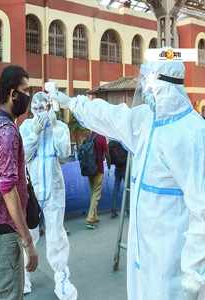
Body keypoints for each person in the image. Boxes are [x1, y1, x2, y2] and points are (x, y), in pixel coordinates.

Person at [49, 60, 205, 300]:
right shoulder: (146, 120)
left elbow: (202, 209)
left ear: (165, 86)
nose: (144, 90)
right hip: (142, 253)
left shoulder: (193, 133)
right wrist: (70, 102)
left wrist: (194, 272)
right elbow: (109, 116)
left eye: (148, 83)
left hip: (172, 260)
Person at [0, 65, 38, 300]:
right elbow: (8, 188)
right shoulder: (7, 132)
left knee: (0, 292)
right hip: (5, 232)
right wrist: (27, 241)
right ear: (13, 94)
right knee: (8, 295)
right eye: (26, 91)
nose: (29, 96)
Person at [20, 92, 78, 300]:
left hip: (54, 189)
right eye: (35, 109)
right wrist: (34, 133)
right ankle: (24, 277)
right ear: (31, 110)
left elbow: (64, 154)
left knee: (56, 234)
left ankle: (61, 278)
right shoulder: (26, 127)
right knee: (28, 233)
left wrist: (54, 128)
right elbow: (23, 156)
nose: (40, 113)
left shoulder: (60, 127)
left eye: (43, 108)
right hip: (32, 189)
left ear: (50, 108)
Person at [85, 132, 110, 229]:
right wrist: (109, 163)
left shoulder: (90, 136)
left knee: (93, 193)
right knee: (96, 194)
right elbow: (107, 153)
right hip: (98, 169)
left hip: (89, 169)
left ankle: (94, 216)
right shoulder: (101, 137)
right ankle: (90, 218)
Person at [108, 140, 127, 218]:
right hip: (125, 168)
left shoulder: (111, 144)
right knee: (128, 189)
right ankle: (129, 209)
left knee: (115, 190)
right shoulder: (122, 142)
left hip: (117, 168)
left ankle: (113, 210)